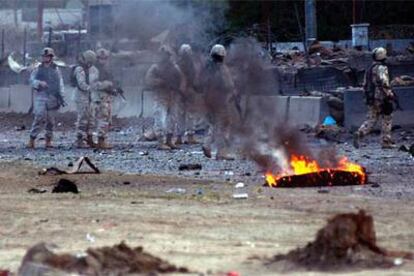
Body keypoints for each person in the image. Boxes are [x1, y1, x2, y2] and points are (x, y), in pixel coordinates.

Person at [353, 47, 396, 149]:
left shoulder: (370, 68)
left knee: (372, 118)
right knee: (387, 117)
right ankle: (386, 141)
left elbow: (364, 84)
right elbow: (384, 82)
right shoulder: (382, 68)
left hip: (371, 98)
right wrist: (389, 93)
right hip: (382, 97)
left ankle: (360, 133)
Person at [201, 44, 238, 160]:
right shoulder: (222, 69)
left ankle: (207, 144)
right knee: (224, 126)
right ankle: (221, 152)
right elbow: (229, 85)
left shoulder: (207, 68)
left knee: (214, 124)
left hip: (208, 100)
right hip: (221, 101)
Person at [144, 45, 185, 150]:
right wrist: (160, 82)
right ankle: (161, 142)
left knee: (172, 120)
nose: (165, 57)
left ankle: (169, 140)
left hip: (173, 96)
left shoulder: (175, 68)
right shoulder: (155, 68)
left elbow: (181, 81)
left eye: (167, 55)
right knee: (160, 119)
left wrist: (179, 90)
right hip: (160, 96)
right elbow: (148, 81)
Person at [27, 47, 65, 149]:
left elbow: (60, 82)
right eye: (44, 56)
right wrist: (39, 83)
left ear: (51, 57)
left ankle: (48, 140)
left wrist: (61, 96)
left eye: (47, 56)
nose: (45, 58)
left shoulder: (56, 69)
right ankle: (32, 138)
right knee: (39, 117)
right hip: (41, 95)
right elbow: (31, 80)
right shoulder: (37, 68)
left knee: (51, 120)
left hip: (53, 96)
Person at [73, 50, 99, 148]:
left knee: (91, 118)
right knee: (82, 118)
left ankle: (89, 137)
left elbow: (96, 81)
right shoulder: (79, 69)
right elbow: (81, 83)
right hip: (81, 96)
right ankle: (79, 139)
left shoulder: (94, 70)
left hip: (91, 97)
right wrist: (90, 88)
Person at [176, 44, 200, 144]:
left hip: (182, 92)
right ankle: (188, 136)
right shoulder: (191, 65)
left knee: (181, 115)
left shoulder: (178, 64)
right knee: (189, 115)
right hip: (187, 92)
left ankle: (180, 137)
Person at [93, 48, 116, 149]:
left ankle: (103, 139)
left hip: (106, 96)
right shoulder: (95, 70)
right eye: (100, 58)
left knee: (107, 118)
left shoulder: (107, 69)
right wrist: (106, 85)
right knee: (103, 117)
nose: (103, 60)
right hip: (100, 96)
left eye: (105, 58)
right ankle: (101, 140)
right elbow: (93, 84)